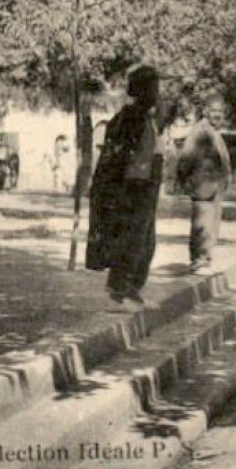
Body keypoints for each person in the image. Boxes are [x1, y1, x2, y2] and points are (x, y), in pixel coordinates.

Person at [86, 65, 165, 309]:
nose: (156, 92)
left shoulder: (146, 116)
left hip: (145, 185)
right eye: (153, 87)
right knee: (130, 239)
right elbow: (119, 156)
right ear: (141, 89)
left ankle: (132, 289)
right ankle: (120, 289)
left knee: (146, 241)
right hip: (132, 187)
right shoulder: (131, 117)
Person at [175, 96, 232, 272]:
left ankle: (205, 258)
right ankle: (198, 260)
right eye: (214, 111)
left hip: (215, 188)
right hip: (203, 187)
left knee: (211, 226)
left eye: (220, 112)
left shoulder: (215, 132)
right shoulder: (200, 130)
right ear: (206, 111)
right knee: (202, 225)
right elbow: (186, 158)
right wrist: (187, 182)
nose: (217, 115)